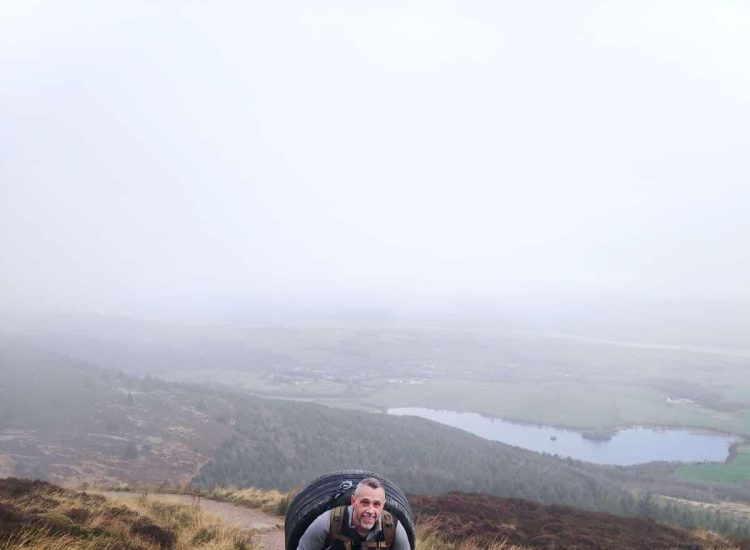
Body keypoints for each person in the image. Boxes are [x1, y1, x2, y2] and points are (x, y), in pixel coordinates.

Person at [297, 477, 411, 550]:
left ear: (383, 506)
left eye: (376, 504)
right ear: (353, 501)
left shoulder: (392, 528)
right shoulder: (327, 523)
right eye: (365, 503)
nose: (370, 510)